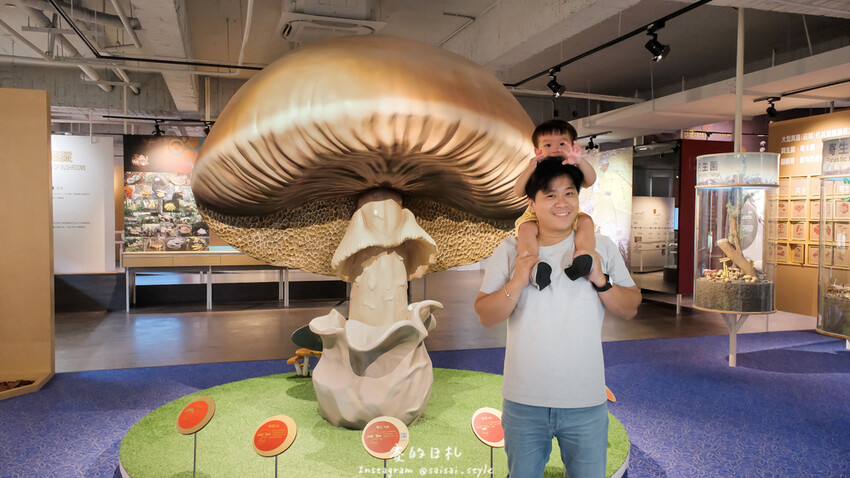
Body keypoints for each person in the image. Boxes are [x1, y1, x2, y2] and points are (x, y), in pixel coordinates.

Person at [474, 158, 641, 478]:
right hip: (524, 402)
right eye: (550, 195)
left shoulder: (600, 248)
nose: (561, 202)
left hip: (586, 402)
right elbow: (485, 316)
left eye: (569, 193)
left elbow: (630, 306)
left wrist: (600, 279)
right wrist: (516, 282)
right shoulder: (510, 250)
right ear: (532, 202)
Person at [514, 120, 598, 290]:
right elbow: (518, 191)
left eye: (562, 143)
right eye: (547, 145)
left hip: (568, 214)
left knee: (586, 222)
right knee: (527, 229)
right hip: (536, 213)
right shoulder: (536, 168)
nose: (555, 148)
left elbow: (590, 180)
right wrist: (530, 169)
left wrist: (580, 161)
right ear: (537, 150)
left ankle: (583, 258)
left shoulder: (572, 166)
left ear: (573, 145)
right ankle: (533, 266)